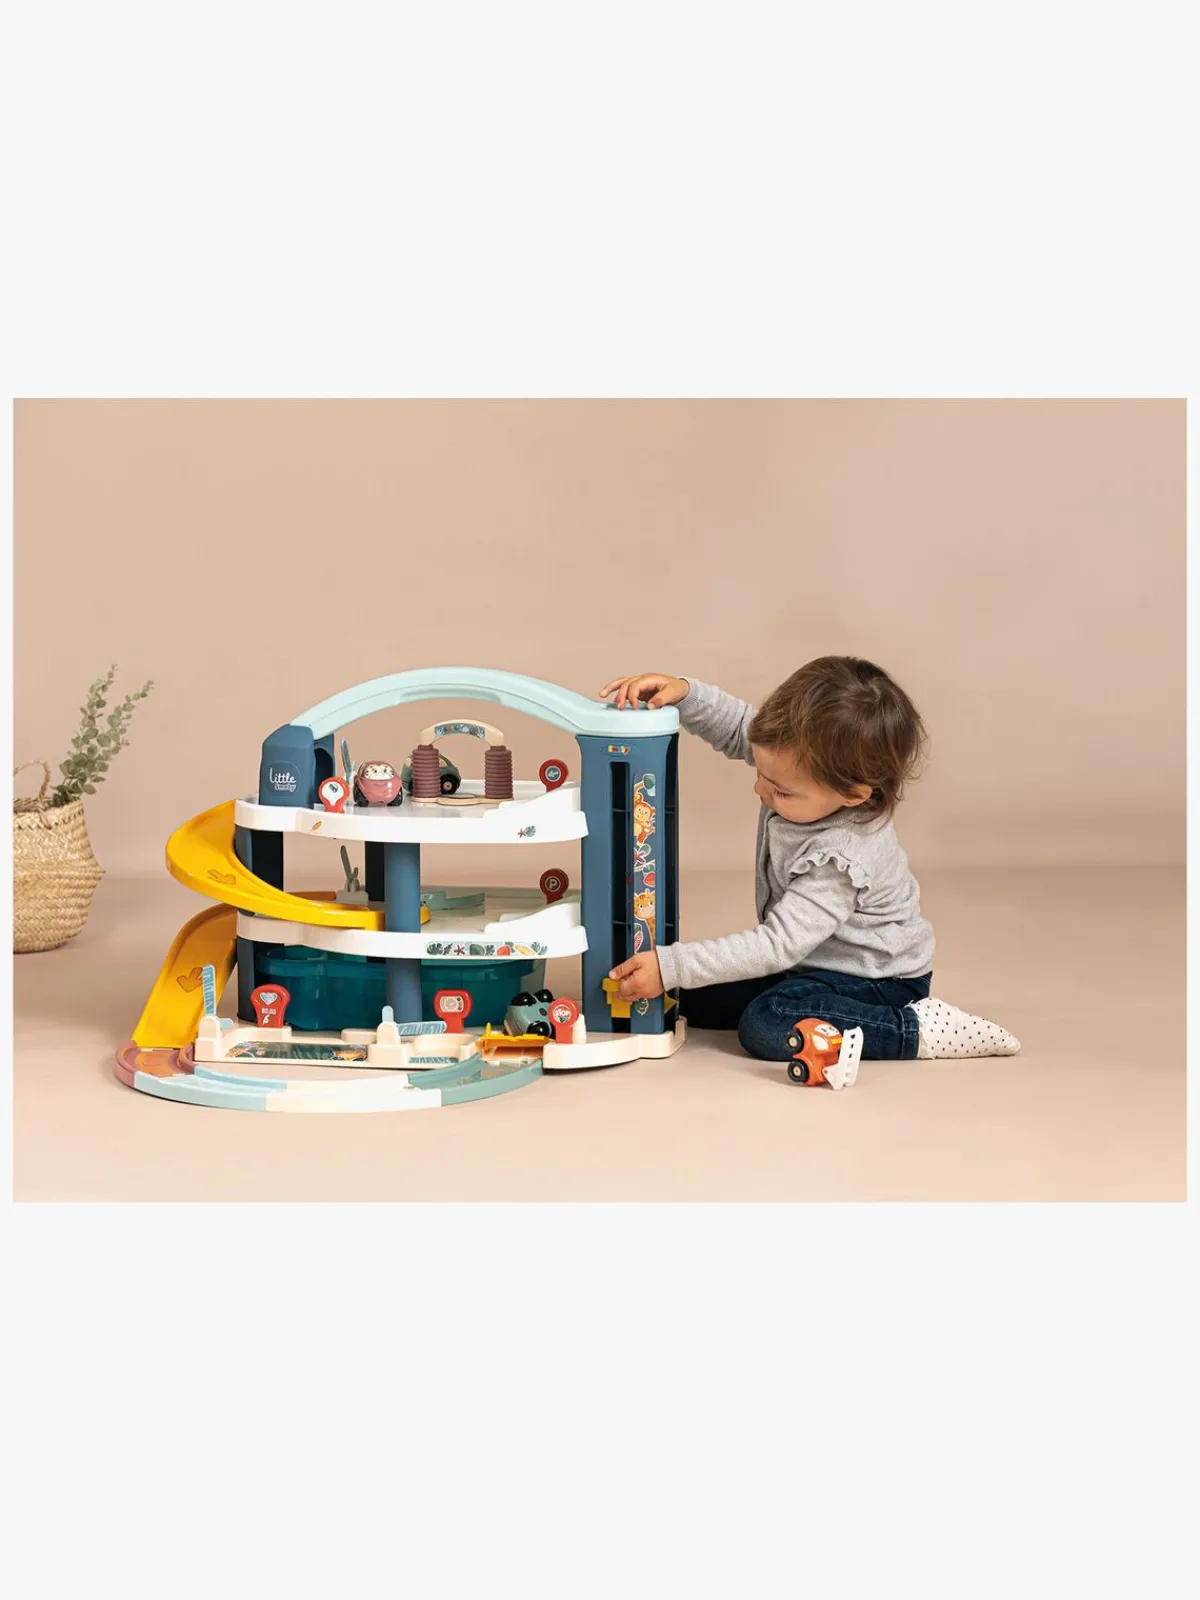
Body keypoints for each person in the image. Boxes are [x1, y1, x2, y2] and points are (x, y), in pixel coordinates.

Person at [600, 660, 1020, 1065]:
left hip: (877, 981)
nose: (760, 790)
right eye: (762, 773)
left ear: (853, 795)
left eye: (780, 791)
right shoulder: (800, 765)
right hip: (811, 964)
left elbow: (777, 944)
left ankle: (912, 1029)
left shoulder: (842, 857)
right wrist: (685, 693)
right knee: (689, 996)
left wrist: (672, 964)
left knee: (765, 1024)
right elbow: (738, 727)